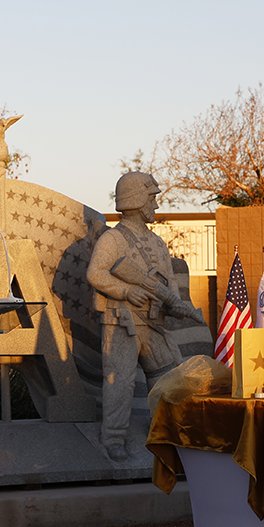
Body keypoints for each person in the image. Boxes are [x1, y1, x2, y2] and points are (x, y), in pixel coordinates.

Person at [86, 171, 203, 463]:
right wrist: (126, 291)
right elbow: (95, 273)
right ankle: (114, 438)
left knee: (166, 379)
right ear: (136, 200)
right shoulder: (113, 238)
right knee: (120, 382)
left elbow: (170, 289)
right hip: (122, 323)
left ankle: (165, 433)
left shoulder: (158, 243)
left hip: (154, 323)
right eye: (152, 198)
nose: (155, 205)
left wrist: (177, 306)